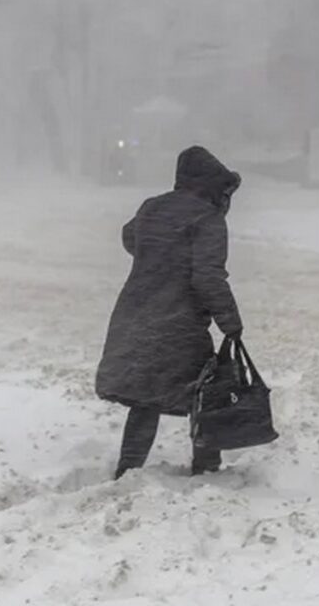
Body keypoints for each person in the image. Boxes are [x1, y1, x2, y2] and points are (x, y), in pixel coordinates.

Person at [96, 146, 244, 480]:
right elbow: (207, 277)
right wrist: (230, 322)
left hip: (138, 311)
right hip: (181, 320)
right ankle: (207, 468)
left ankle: (128, 468)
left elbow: (129, 237)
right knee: (205, 391)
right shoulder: (207, 219)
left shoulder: (152, 207)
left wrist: (160, 254)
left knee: (145, 396)